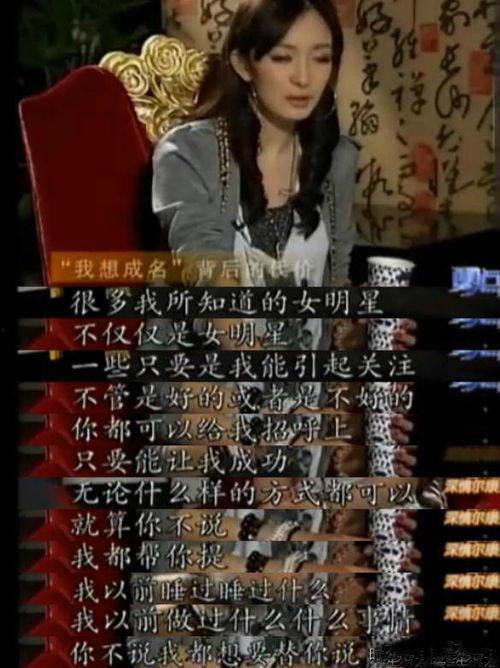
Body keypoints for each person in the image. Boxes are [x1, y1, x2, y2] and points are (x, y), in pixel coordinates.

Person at [151, 0, 421, 658]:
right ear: (246, 64)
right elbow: (206, 274)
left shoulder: (335, 157)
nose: (304, 77)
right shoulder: (190, 152)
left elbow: (338, 289)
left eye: (321, 58)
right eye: (283, 57)